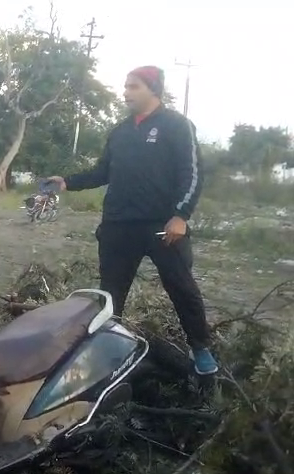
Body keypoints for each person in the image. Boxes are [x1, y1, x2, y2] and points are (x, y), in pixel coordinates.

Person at [46, 65, 217, 376]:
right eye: (125, 86)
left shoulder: (177, 126)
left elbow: (191, 174)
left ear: (153, 89)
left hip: (163, 226)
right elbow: (102, 172)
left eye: (133, 86)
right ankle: (109, 352)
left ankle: (200, 348)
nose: (125, 92)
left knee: (182, 288)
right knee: (111, 294)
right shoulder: (120, 132)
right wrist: (67, 182)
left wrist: (181, 215)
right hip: (119, 225)